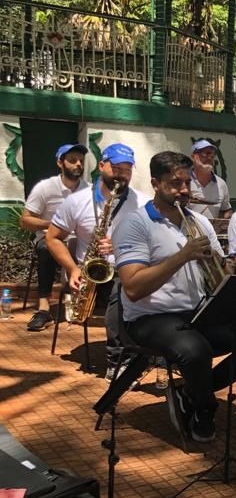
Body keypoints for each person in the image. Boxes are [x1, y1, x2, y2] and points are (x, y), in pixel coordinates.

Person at [114, 151, 236, 443]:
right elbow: (133, 287)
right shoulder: (135, 224)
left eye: (187, 183)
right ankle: (205, 406)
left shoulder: (199, 223)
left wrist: (224, 267)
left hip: (196, 312)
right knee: (194, 350)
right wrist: (182, 256)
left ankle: (193, 390)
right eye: (174, 183)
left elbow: (220, 274)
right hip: (149, 317)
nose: (183, 191)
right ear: (155, 183)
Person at [47, 143, 143, 380]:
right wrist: (72, 269)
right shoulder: (77, 201)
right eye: (116, 167)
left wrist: (120, 245)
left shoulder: (143, 203)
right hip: (88, 275)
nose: (122, 174)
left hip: (127, 270)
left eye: (127, 169)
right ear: (101, 166)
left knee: (123, 288)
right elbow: (53, 238)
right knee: (119, 291)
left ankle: (130, 355)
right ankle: (120, 360)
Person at [20, 143, 89, 332]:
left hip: (78, 240)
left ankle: (88, 303)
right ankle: (44, 309)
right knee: (46, 248)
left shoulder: (89, 190)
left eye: (81, 161)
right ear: (60, 162)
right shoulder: (45, 188)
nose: (78, 165)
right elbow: (25, 220)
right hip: (50, 238)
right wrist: (52, 225)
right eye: (73, 161)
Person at [188, 140, 232, 221]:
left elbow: (225, 211)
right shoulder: (184, 182)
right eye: (205, 153)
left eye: (212, 154)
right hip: (188, 232)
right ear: (194, 157)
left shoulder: (221, 184)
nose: (209, 157)